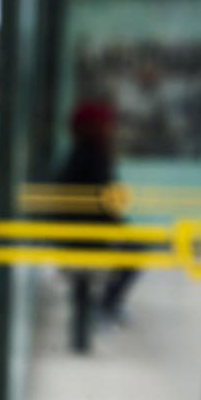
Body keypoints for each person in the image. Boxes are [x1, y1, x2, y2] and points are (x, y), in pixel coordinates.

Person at [53, 99, 139, 329]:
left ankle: (102, 306)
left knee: (134, 248)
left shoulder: (82, 152)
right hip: (84, 237)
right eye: (106, 124)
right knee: (135, 250)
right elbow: (105, 201)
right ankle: (105, 305)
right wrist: (119, 227)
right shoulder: (93, 154)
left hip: (80, 233)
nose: (111, 129)